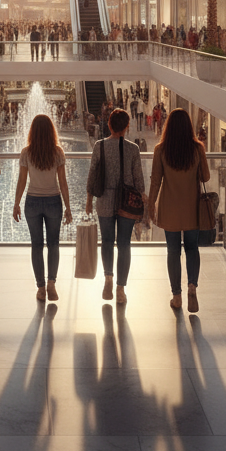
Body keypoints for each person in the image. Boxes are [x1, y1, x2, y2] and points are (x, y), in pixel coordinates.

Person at [148, 108, 210, 312]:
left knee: (173, 251)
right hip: (192, 208)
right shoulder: (197, 148)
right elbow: (206, 177)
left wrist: (151, 206)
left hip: (169, 208)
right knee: (192, 248)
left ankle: (177, 296)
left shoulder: (161, 149)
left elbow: (156, 181)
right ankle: (192, 286)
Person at [85, 108, 146, 305]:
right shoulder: (132, 149)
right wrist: (144, 204)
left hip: (104, 199)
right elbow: (138, 179)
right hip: (127, 201)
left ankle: (108, 279)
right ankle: (121, 288)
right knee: (124, 244)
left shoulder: (99, 146)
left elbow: (93, 175)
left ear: (109, 125)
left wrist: (88, 200)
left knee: (107, 241)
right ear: (127, 127)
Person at [12, 113, 72, 301]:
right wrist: (68, 207)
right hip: (54, 200)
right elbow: (63, 182)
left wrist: (16, 204)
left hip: (33, 202)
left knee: (36, 245)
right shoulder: (58, 152)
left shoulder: (26, 153)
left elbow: (22, 181)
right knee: (53, 244)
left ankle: (40, 287)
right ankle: (52, 283)